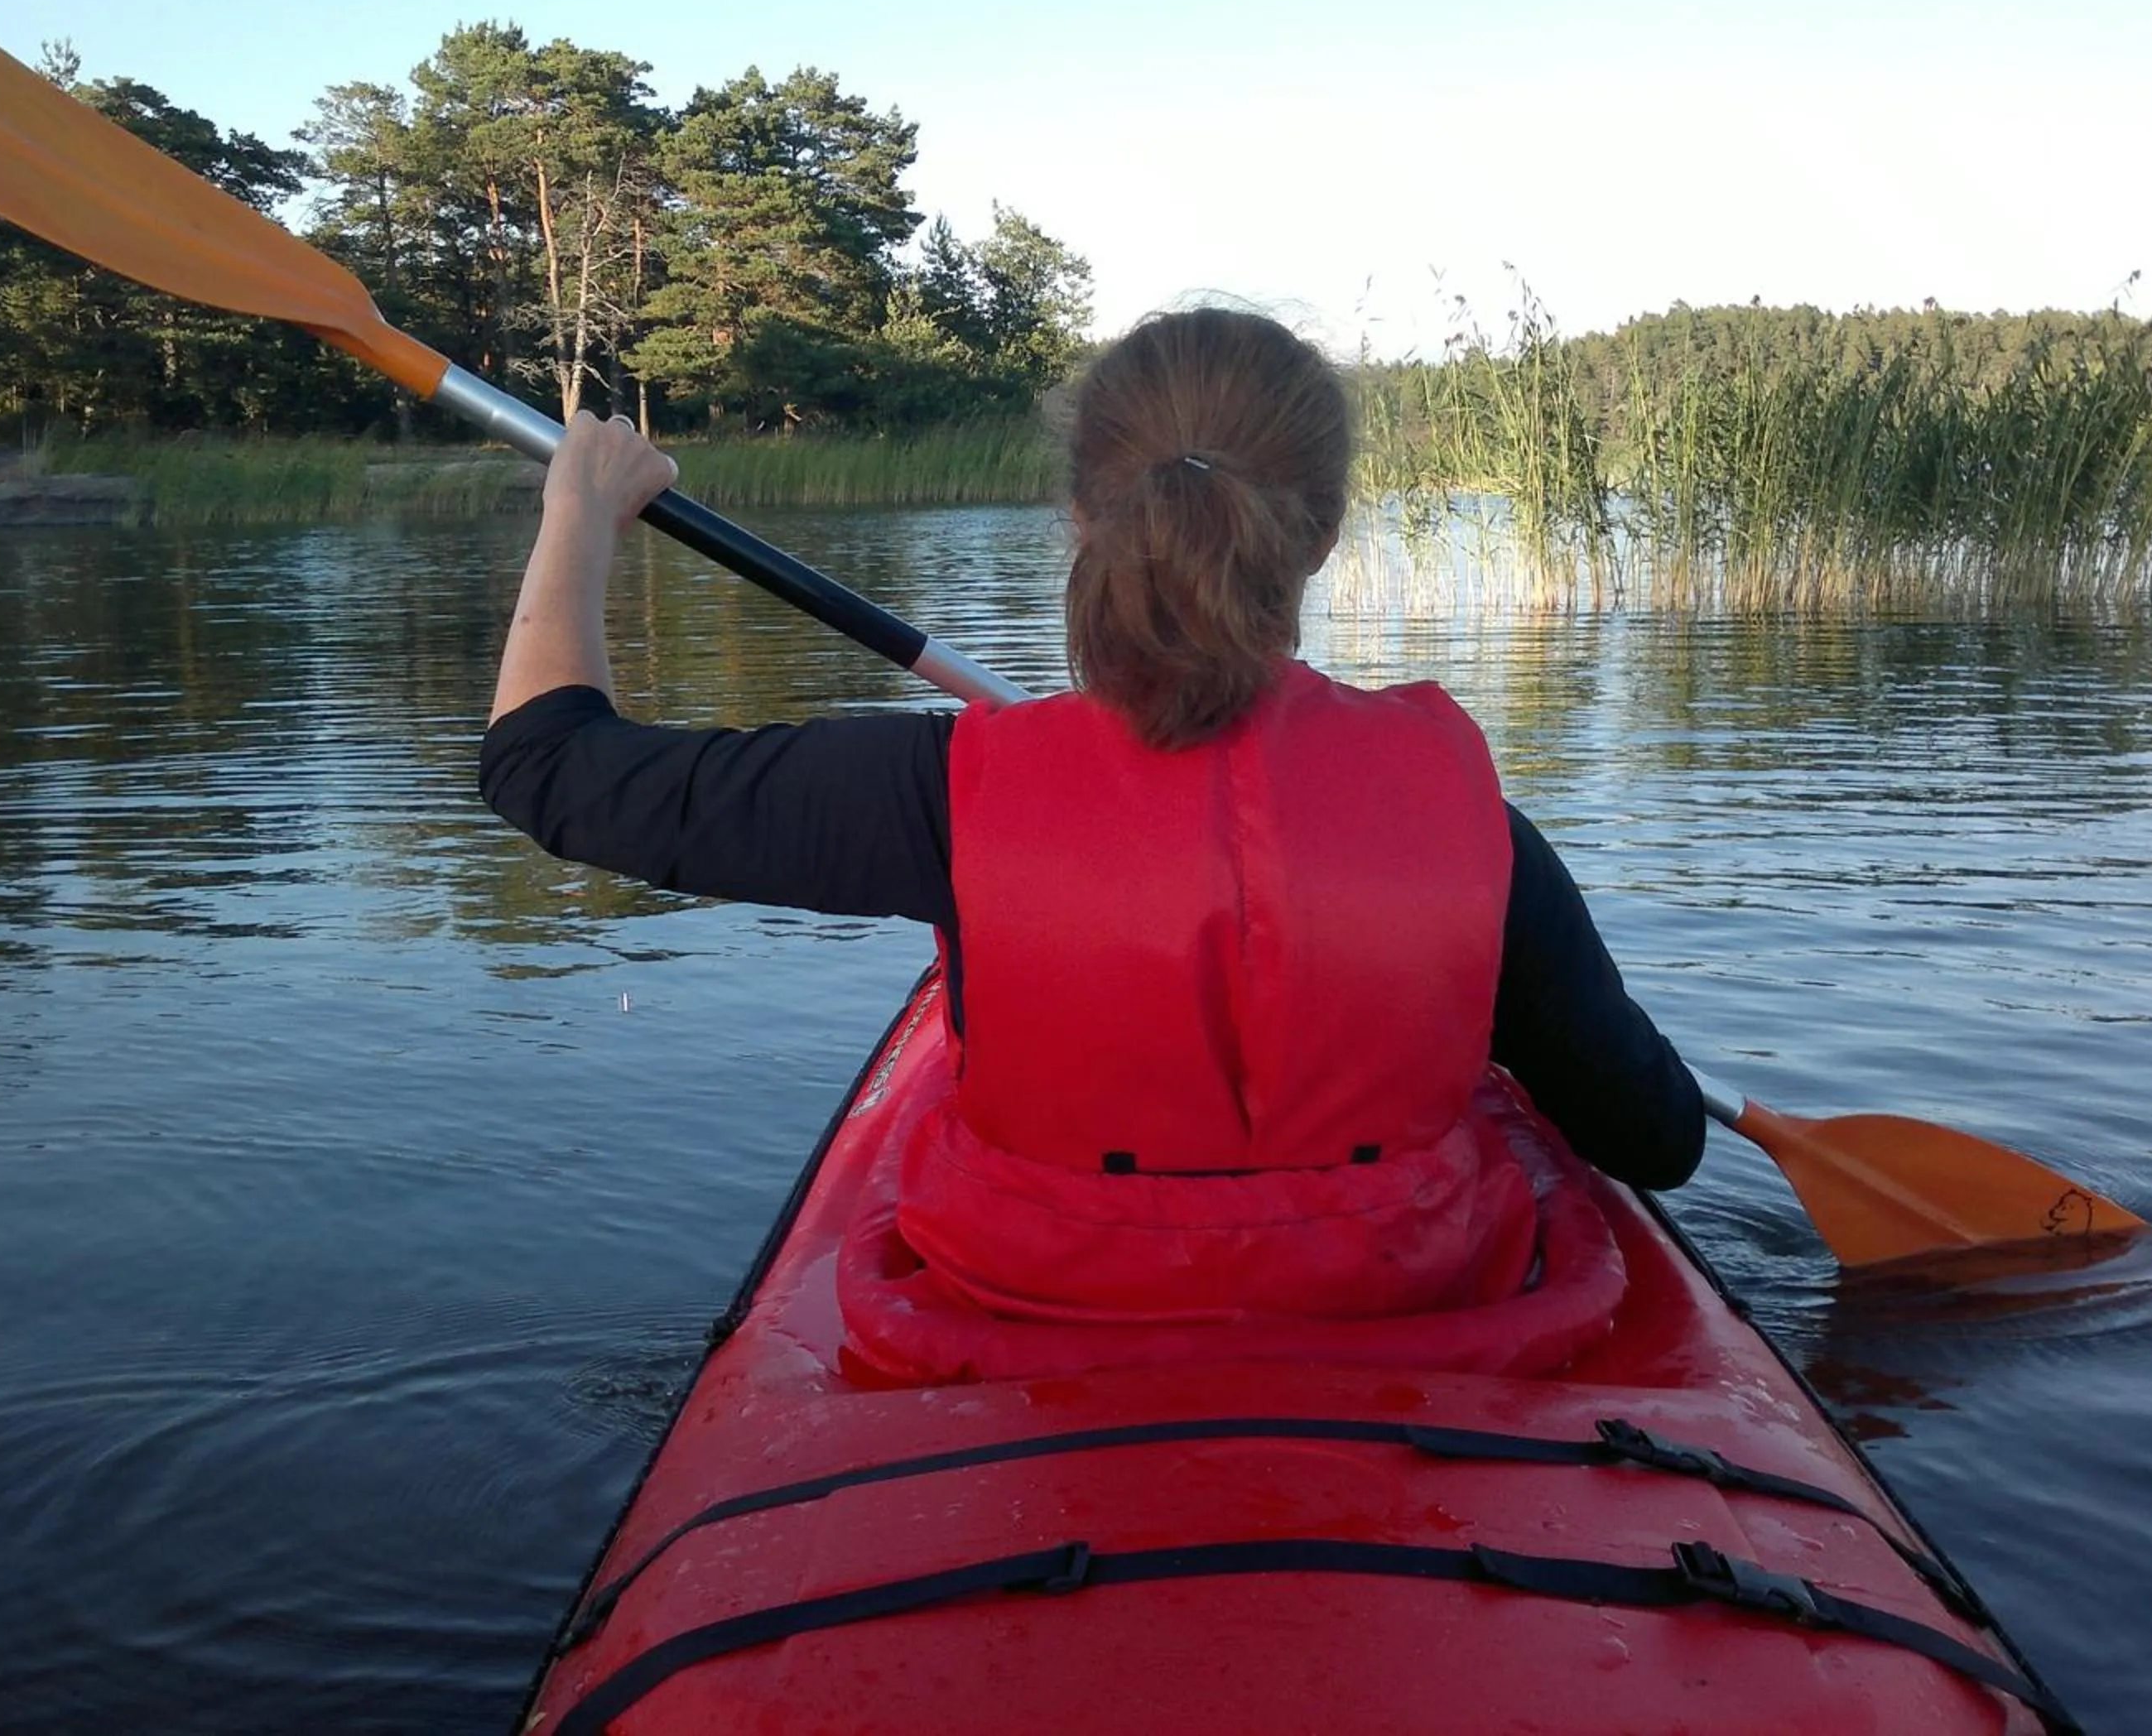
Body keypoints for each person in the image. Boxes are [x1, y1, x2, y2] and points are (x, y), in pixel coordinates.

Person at [482, 307, 1702, 1353]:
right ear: (1322, 536)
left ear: (1079, 517)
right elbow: (1656, 1139)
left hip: (1025, 1303)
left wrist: (582, 512)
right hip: (1416, 1303)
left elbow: (547, 768)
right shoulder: (1468, 816)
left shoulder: (941, 792)